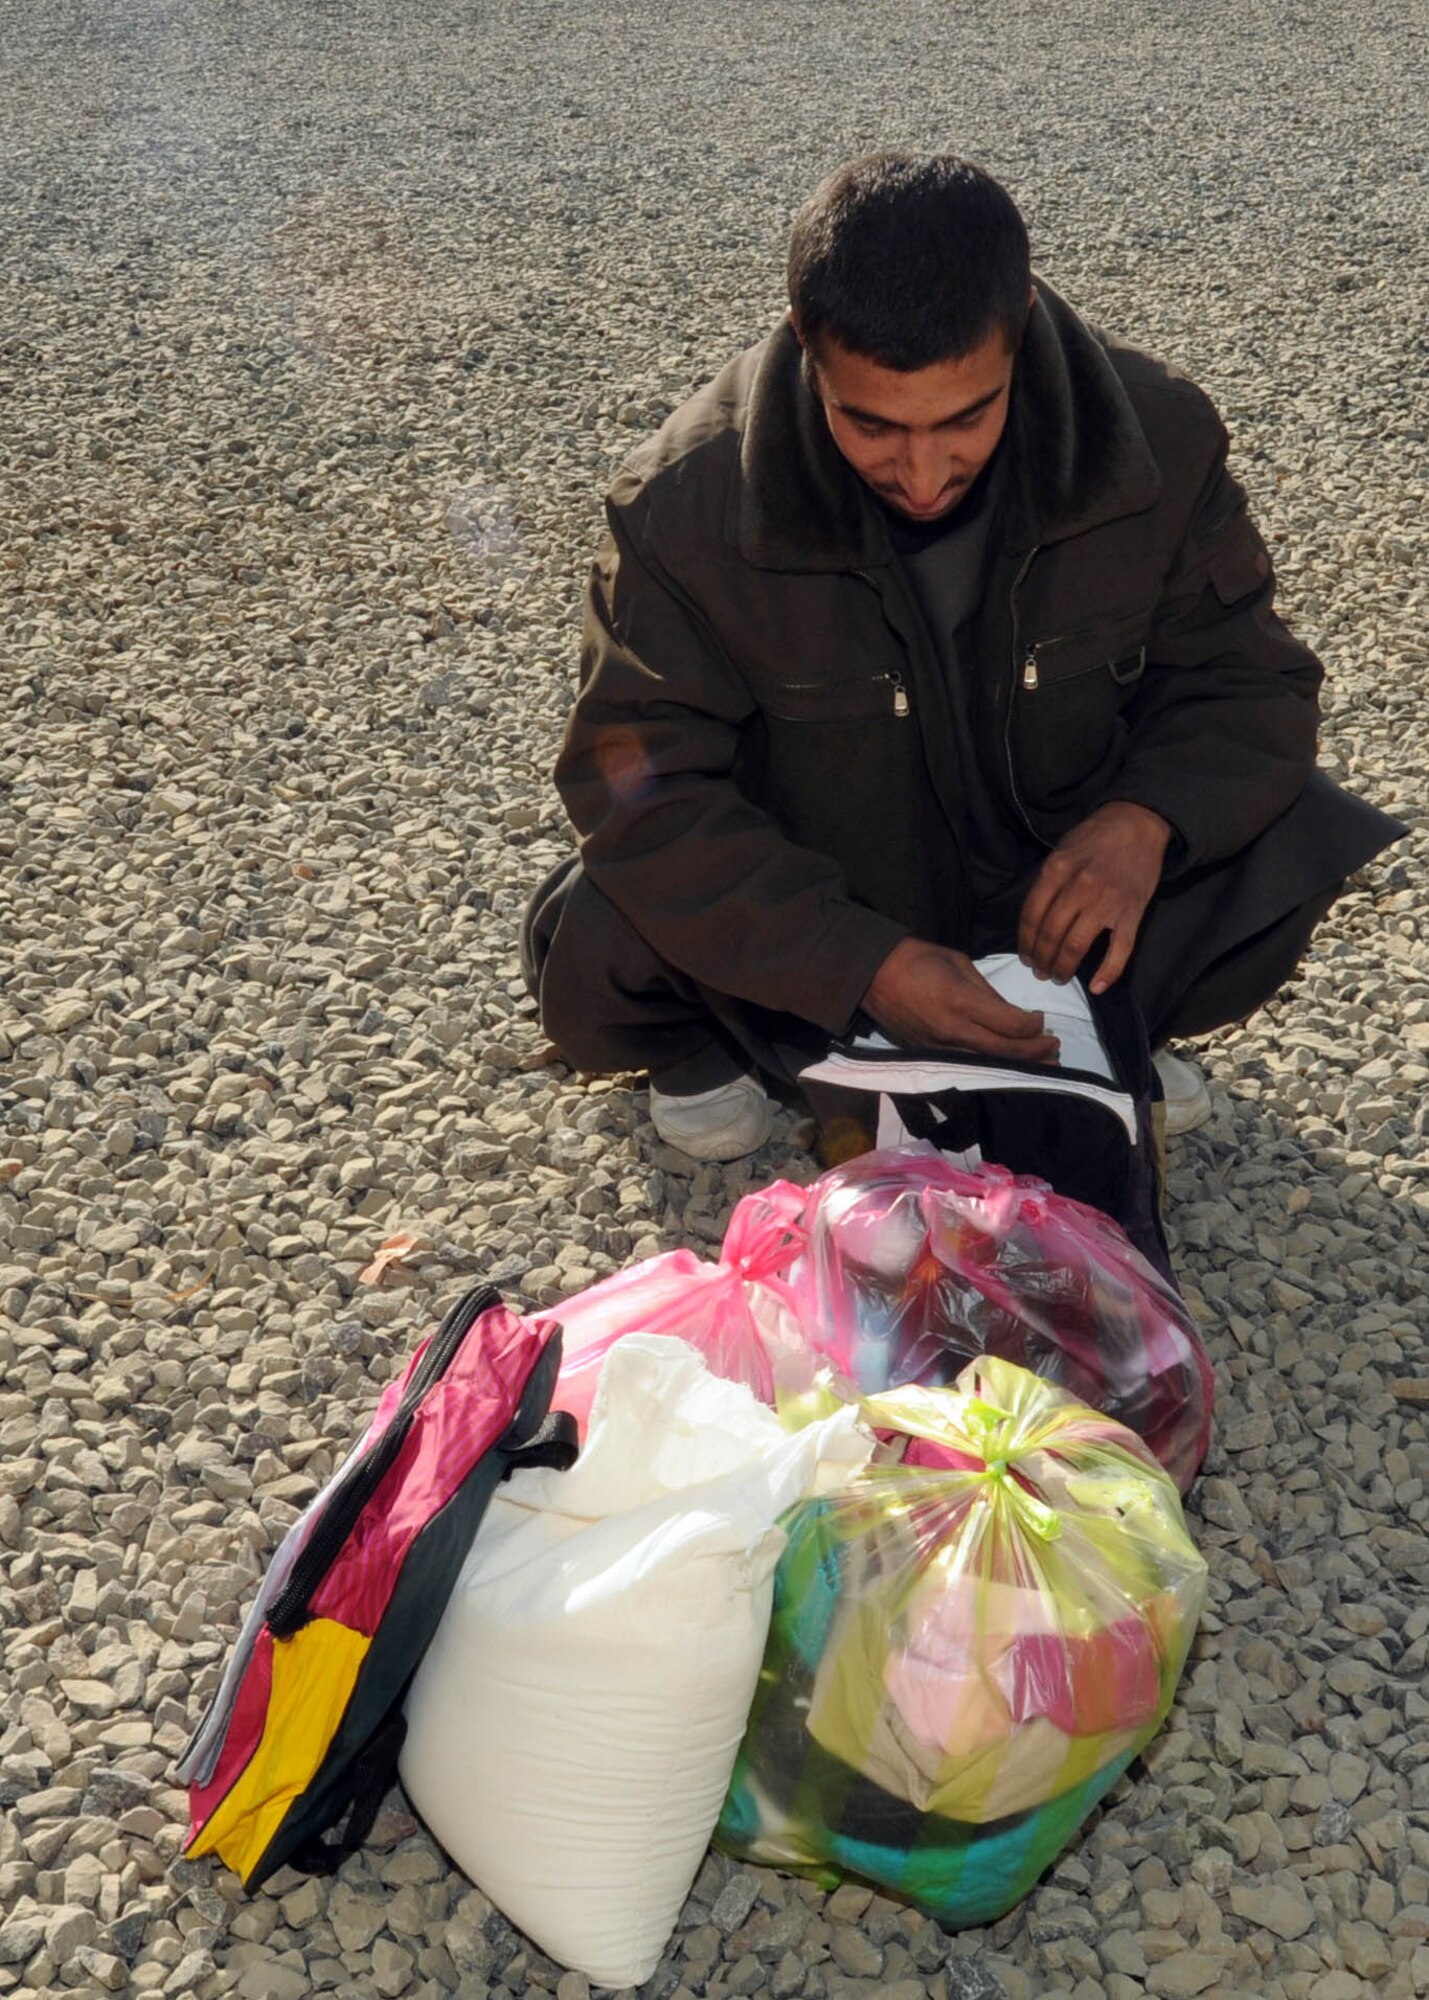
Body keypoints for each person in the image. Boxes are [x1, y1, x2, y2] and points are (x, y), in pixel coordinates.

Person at [523, 154, 1402, 1161]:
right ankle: (710, 1050)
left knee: (1281, 825)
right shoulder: (682, 506)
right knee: (613, 914)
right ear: (805, 340)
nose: (923, 474)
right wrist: (863, 961)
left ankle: (1099, 1031)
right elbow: (641, 789)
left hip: (1045, 884)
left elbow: (1248, 682)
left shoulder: (1156, 441)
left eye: (966, 418)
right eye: (871, 424)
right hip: (836, 888)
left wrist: (1143, 823)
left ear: (1017, 324)